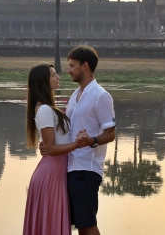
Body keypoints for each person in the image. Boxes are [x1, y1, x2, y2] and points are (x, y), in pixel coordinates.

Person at [41, 45, 116, 235]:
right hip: (71, 166)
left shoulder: (101, 96)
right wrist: (49, 146)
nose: (68, 70)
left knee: (87, 223)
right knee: (80, 224)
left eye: (72, 66)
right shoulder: (75, 96)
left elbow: (111, 133)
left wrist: (91, 141)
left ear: (85, 66)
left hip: (87, 168)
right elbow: (69, 130)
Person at [23, 64, 88, 235]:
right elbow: (51, 148)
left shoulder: (47, 108)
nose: (58, 77)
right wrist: (77, 143)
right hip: (51, 173)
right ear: (44, 81)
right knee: (51, 223)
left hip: (56, 171)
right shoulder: (44, 109)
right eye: (53, 75)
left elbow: (50, 143)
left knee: (52, 221)